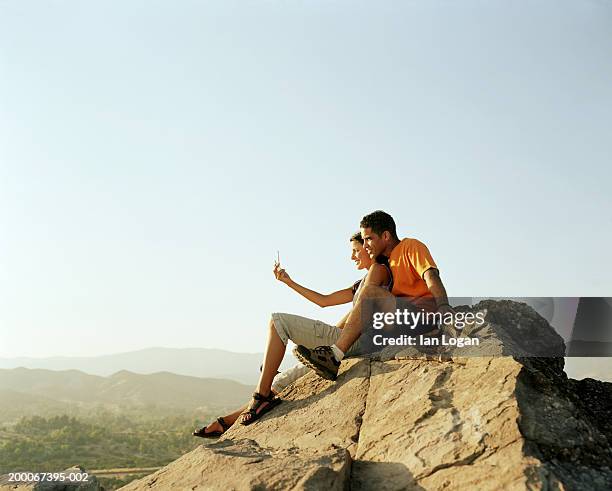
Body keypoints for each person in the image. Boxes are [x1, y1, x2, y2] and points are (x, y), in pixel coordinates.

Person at [193, 232, 392, 436]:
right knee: (281, 381)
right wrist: (289, 282)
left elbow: (359, 317)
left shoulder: (378, 270)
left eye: (356, 251)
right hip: (348, 342)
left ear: (369, 249)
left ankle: (260, 396)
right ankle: (226, 422)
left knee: (278, 321)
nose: (353, 256)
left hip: (358, 344)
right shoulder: (361, 284)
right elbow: (323, 301)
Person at [294, 210, 454, 381]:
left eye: (369, 239)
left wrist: (443, 306)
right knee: (369, 301)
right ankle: (335, 351)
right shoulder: (387, 263)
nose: (366, 245)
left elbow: (430, 275)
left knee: (370, 292)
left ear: (385, 235)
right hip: (401, 322)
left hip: (421, 318)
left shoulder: (410, 246)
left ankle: (334, 356)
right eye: (363, 240)